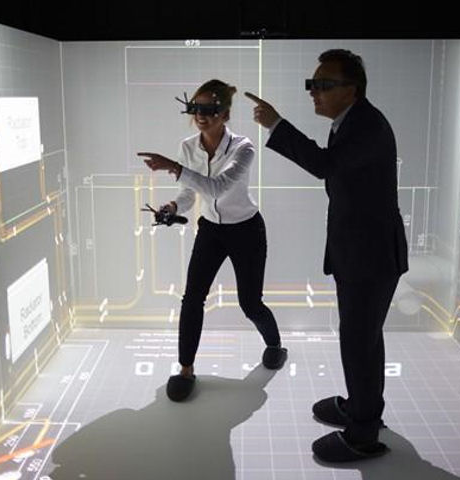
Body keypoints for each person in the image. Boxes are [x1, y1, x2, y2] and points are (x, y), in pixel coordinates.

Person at [245, 49, 408, 462]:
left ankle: (363, 435)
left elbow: (324, 165)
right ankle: (361, 407)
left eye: (323, 85)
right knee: (362, 339)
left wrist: (276, 124)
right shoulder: (350, 122)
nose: (313, 92)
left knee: (359, 343)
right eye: (311, 84)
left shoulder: (366, 125)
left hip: (370, 257)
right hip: (360, 253)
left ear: (351, 90)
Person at [138, 79, 288, 403]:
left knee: (250, 303)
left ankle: (275, 345)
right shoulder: (188, 146)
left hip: (246, 230)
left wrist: (175, 168)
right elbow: (190, 193)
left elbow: (218, 187)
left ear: (226, 114)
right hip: (211, 230)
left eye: (209, 109)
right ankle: (185, 369)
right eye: (195, 108)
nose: (201, 116)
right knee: (192, 298)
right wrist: (173, 206)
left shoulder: (243, 148)